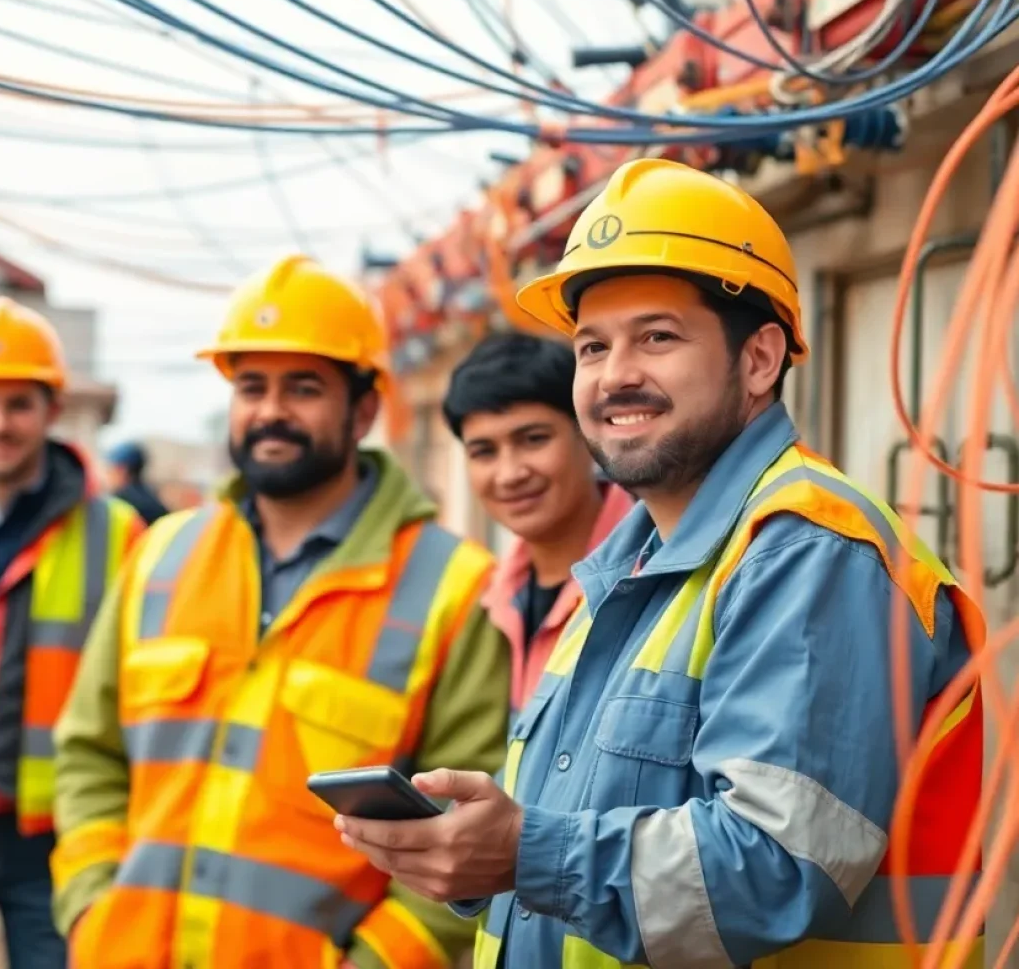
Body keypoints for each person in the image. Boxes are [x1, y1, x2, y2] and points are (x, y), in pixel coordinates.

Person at [335, 159, 985, 968]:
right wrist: (472, 848)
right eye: (592, 346)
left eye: (657, 337)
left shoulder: (810, 550)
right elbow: (570, 836)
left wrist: (524, 852)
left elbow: (774, 870)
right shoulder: (627, 570)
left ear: (758, 360)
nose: (616, 377)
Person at [50, 256, 512, 969]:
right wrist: (90, 907)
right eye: (251, 387)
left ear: (363, 410)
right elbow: (88, 754)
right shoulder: (160, 555)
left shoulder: (453, 588)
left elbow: (467, 833)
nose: (271, 411)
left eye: (303, 388)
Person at [0, 298, 144, 969]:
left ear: (52, 411)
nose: (0, 423)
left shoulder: (117, 535)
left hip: (59, 833)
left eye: (19, 403)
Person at [442, 332, 631, 715]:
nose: (509, 473)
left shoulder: (650, 569)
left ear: (588, 433)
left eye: (533, 439)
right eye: (484, 452)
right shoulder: (486, 598)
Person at [103, 440, 169, 525]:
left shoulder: (120, 502)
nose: (108, 475)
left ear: (123, 470)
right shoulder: (152, 497)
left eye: (110, 470)